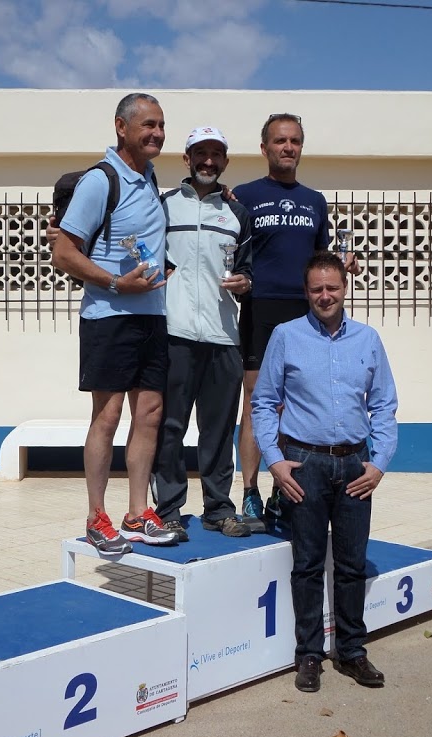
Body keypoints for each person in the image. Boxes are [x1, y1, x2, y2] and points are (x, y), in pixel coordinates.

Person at [251, 253, 397, 693]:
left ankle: (352, 652)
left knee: (351, 565)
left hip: (355, 466)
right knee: (308, 564)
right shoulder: (286, 336)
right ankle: (310, 655)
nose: (325, 295)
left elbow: (384, 405)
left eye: (332, 287)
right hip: (304, 466)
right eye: (317, 289)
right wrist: (275, 461)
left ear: (344, 287)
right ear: (306, 291)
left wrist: (379, 463)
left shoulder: (368, 339)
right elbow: (263, 402)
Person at [51, 92, 178, 554]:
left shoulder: (150, 178)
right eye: (147, 125)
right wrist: (115, 283)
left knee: (149, 414)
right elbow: (63, 252)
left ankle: (137, 513)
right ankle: (96, 517)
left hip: (152, 316)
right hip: (109, 318)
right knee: (107, 416)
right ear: (121, 127)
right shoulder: (100, 180)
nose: (157, 133)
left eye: (161, 125)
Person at [233, 113, 360, 532]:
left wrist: (344, 263)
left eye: (294, 141)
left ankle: (280, 490)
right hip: (261, 307)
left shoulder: (314, 201)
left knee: (293, 404)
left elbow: (322, 259)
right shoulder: (244, 195)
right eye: (280, 140)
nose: (287, 147)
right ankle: (249, 491)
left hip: (304, 313)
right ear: (264, 148)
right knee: (257, 402)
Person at [152, 126, 254, 540]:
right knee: (170, 428)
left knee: (218, 430)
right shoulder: (164, 206)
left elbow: (248, 269)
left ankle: (218, 508)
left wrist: (246, 281)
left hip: (223, 336)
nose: (208, 161)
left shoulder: (237, 213)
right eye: (200, 153)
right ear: (187, 158)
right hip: (173, 333)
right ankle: (169, 510)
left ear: (225, 161)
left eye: (216, 154)